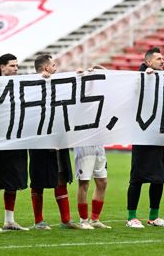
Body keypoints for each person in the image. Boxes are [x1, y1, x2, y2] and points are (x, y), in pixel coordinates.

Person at [28, 54, 81, 230]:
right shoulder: (30, 87)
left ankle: (66, 220)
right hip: (39, 142)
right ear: (45, 68)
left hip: (59, 140)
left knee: (61, 177)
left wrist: (80, 76)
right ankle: (38, 221)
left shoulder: (58, 85)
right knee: (38, 181)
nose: (56, 68)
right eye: (53, 65)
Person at [126, 47, 164, 228]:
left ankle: (154, 216)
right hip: (142, 133)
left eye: (163, 58)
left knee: (159, 178)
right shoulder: (139, 77)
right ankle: (131, 217)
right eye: (159, 59)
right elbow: (132, 88)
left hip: (160, 134)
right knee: (137, 178)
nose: (163, 61)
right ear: (149, 62)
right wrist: (144, 74)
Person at [0, 53, 29, 231]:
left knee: (14, 180)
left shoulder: (19, 85)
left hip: (17, 139)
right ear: (1, 67)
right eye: (12, 66)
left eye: (17, 66)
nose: (16, 69)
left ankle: (9, 220)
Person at [74, 65, 111, 230]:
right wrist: (81, 76)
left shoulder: (105, 97)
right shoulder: (82, 94)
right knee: (84, 183)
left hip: (99, 142)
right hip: (84, 142)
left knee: (102, 181)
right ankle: (83, 220)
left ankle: (95, 219)